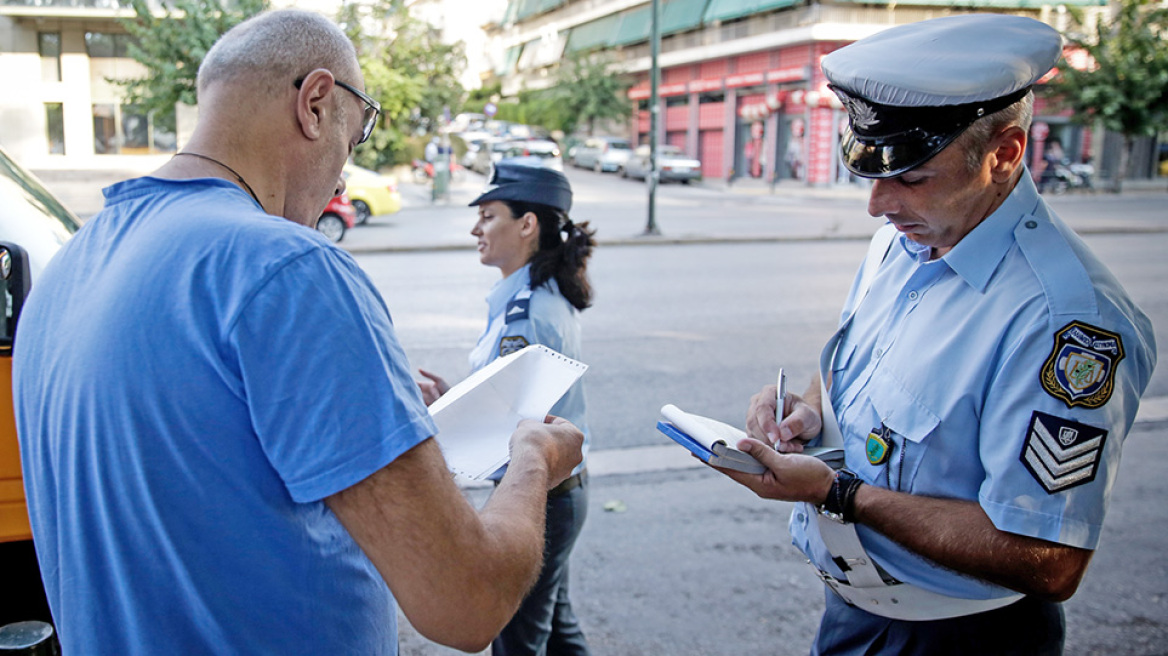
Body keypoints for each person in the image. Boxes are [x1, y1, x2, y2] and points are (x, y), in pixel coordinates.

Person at [12, 10, 582, 655]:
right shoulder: (287, 268)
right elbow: (465, 602)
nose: (342, 176)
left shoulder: (68, 268)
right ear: (315, 104)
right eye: (356, 134)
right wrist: (533, 455)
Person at [715, 15, 1156, 655]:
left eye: (912, 177)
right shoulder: (906, 239)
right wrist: (807, 409)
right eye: (870, 174)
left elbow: (1048, 556)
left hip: (958, 637)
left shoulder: (1065, 323)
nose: (879, 205)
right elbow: (860, 359)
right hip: (855, 611)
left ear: (1004, 154)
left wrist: (838, 492)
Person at [418, 161, 596, 656]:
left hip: (542, 493)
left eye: (488, 215)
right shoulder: (529, 296)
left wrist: (444, 419)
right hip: (555, 490)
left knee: (518, 640)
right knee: (557, 630)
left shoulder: (528, 312)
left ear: (527, 225)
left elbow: (518, 426)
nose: (476, 228)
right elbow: (518, 404)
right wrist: (458, 396)